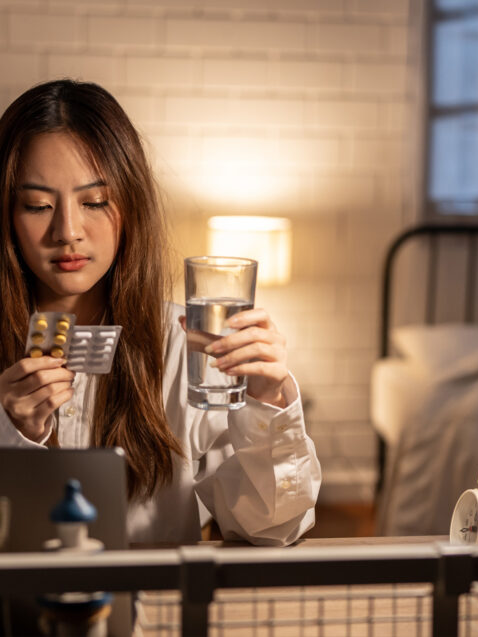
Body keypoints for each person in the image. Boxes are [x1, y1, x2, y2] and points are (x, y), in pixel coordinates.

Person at [0, 79, 321, 546]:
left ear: (130, 206)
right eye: (38, 205)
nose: (67, 231)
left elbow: (271, 526)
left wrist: (270, 400)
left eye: (94, 202)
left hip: (157, 617)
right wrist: (13, 438)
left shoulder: (183, 345)